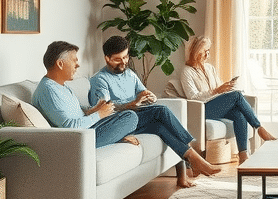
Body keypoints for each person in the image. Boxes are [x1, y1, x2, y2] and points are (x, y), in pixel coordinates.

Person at [88, 36, 221, 186]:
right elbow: (105, 109)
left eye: (126, 57)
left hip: (138, 116)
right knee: (161, 111)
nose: (124, 62)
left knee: (160, 127)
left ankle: (189, 167)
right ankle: (195, 153)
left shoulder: (130, 74)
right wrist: (131, 103)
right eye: (118, 59)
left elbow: (142, 92)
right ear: (107, 58)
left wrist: (148, 96)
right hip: (121, 121)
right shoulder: (100, 80)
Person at [178, 36, 276, 164]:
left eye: (208, 50)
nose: (207, 54)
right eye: (204, 51)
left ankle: (243, 155)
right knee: (236, 96)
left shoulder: (210, 68)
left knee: (238, 113)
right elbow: (193, 97)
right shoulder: (187, 72)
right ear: (195, 52)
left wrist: (225, 88)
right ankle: (259, 128)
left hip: (215, 106)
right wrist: (216, 91)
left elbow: (218, 90)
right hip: (202, 110)